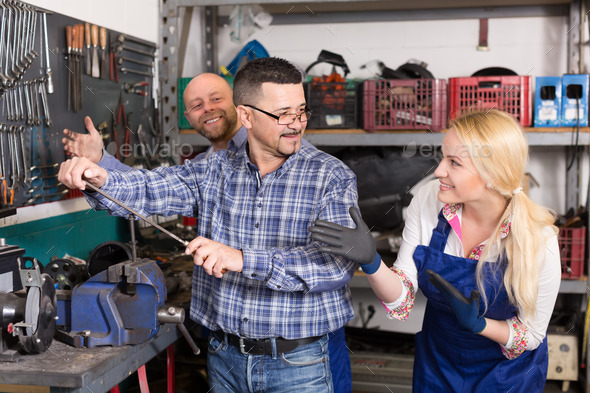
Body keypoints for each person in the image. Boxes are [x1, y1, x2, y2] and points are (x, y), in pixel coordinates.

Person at [58, 57, 359, 393]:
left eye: (301, 111)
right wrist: (99, 177)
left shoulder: (330, 176)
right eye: (283, 114)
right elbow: (149, 189)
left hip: (297, 363)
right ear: (247, 115)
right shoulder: (212, 168)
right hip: (224, 357)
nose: (296, 124)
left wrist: (242, 259)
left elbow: (333, 266)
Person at [309, 109, 561, 392]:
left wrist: (481, 326)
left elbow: (532, 335)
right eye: (443, 156)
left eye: (454, 163)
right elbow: (403, 298)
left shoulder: (538, 238)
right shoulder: (429, 200)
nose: (439, 170)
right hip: (438, 365)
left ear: (492, 175)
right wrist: (372, 262)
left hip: (508, 375)